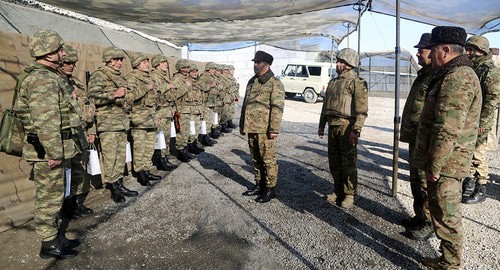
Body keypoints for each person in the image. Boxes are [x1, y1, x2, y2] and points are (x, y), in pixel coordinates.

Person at [412, 26, 481, 269]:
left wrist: (435, 164)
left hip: (448, 163)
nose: (431, 55)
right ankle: (447, 259)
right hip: (448, 161)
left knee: (446, 214)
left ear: (445, 49)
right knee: (442, 212)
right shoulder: (454, 74)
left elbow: (447, 127)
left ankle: (450, 264)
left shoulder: (457, 77)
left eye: (433, 50)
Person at [16, 29, 78, 259]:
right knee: (49, 197)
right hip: (48, 150)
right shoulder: (42, 79)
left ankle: (55, 236)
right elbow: (47, 121)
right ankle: (48, 243)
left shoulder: (48, 76)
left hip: (55, 147)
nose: (63, 54)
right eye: (59, 50)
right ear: (49, 53)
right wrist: (54, 152)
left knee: (56, 195)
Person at [318, 48, 368, 209]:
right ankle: (338, 190)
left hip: (347, 128)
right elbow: (325, 107)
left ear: (349, 64)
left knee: (348, 163)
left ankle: (349, 194)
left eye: (341, 62)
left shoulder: (357, 83)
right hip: (333, 127)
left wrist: (356, 130)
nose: (338, 64)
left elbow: (362, 110)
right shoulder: (333, 83)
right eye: (338, 61)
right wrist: (321, 125)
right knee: (334, 161)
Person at [87, 47, 138, 203]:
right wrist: (113, 95)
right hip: (107, 123)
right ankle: (113, 186)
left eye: (120, 59)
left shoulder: (120, 77)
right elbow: (92, 98)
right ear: (109, 60)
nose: (119, 62)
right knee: (111, 157)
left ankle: (119, 183)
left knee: (120, 155)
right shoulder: (99, 75)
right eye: (116, 59)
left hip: (121, 121)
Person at [399, 33, 435, 239]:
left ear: (434, 51)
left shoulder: (436, 77)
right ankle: (420, 215)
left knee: (424, 181)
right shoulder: (424, 75)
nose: (418, 53)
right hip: (415, 137)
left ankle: (429, 221)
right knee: (415, 179)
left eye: (423, 49)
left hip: (425, 139)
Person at [240, 51, 285, 203]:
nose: (255, 65)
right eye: (254, 62)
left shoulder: (274, 83)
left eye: (258, 62)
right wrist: (242, 124)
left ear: (267, 65)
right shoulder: (252, 81)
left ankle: (270, 188)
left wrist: (273, 129)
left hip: (265, 129)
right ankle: (259, 184)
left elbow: (277, 108)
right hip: (251, 127)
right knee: (255, 159)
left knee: (268, 160)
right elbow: (245, 105)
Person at [461, 35, 500, 204]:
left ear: (482, 51)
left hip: (481, 121)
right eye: (468, 49)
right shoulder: (475, 67)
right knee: (468, 151)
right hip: (470, 120)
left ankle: (481, 187)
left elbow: (492, 101)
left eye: (472, 50)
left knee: (478, 153)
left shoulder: (491, 72)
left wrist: (483, 125)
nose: (469, 53)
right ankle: (468, 182)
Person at [59, 44, 95, 220]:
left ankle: (76, 203)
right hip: (63, 136)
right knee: (65, 174)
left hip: (79, 133)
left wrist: (92, 130)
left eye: (73, 63)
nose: (70, 66)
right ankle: (66, 207)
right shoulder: (54, 83)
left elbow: (89, 106)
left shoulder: (76, 83)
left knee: (78, 171)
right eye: (67, 62)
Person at [126, 52, 162, 186]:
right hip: (139, 118)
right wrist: (145, 88)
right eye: (144, 62)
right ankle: (140, 172)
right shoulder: (131, 78)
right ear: (137, 64)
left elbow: (156, 99)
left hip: (151, 117)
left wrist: (157, 115)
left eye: (147, 61)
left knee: (149, 146)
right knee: (139, 147)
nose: (147, 64)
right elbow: (130, 97)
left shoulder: (150, 78)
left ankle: (147, 169)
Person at [150, 54, 179, 171]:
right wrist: (167, 86)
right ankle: (160, 159)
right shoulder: (154, 76)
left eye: (166, 62)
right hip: (160, 110)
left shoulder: (164, 76)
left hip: (167, 110)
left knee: (166, 137)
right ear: (157, 64)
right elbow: (154, 92)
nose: (166, 65)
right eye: (162, 63)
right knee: (160, 136)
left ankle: (164, 157)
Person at [171, 59, 198, 162]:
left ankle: (185, 150)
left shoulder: (187, 78)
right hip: (181, 109)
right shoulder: (176, 79)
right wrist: (186, 86)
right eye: (183, 68)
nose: (186, 70)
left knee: (187, 131)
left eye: (187, 68)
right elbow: (175, 95)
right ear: (179, 68)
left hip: (188, 108)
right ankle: (180, 151)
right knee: (182, 132)